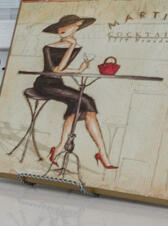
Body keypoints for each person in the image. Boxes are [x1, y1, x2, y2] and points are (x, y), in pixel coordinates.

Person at [30, 14, 117, 170]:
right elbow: (56, 70)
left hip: (58, 83)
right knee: (87, 101)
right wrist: (71, 46)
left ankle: (59, 149)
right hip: (45, 84)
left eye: (70, 25)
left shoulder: (75, 48)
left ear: (76, 27)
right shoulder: (49, 47)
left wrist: (79, 69)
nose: (62, 29)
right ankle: (102, 154)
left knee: (79, 106)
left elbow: (61, 71)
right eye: (60, 26)